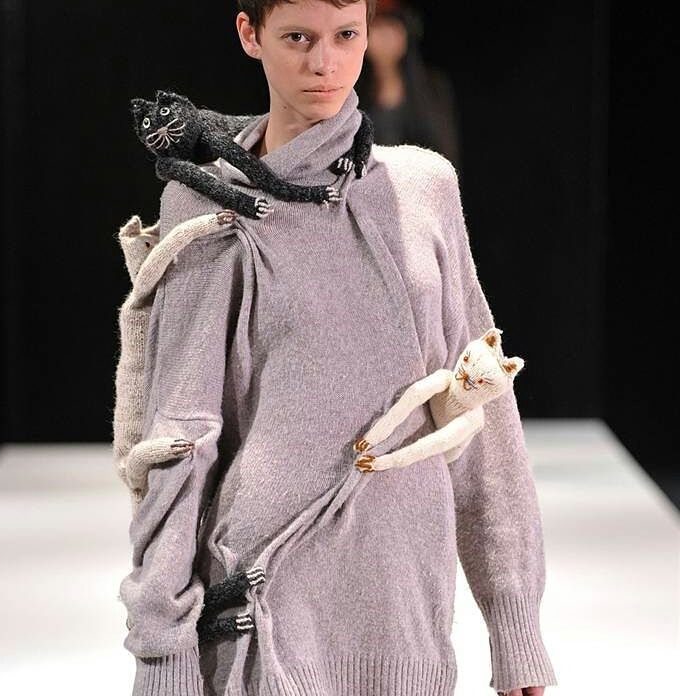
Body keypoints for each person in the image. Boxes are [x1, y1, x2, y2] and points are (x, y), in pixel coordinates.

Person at [116, 1, 558, 695]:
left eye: (345, 35)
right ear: (250, 34)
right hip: (265, 601)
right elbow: (179, 435)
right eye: (298, 37)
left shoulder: (423, 188)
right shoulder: (205, 204)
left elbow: (480, 405)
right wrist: (162, 652)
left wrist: (514, 622)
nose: (325, 63)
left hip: (404, 596)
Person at [355, 0, 462, 168]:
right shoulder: (352, 89)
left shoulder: (433, 85)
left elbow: (445, 147)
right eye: (378, 27)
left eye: (392, 26)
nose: (385, 36)